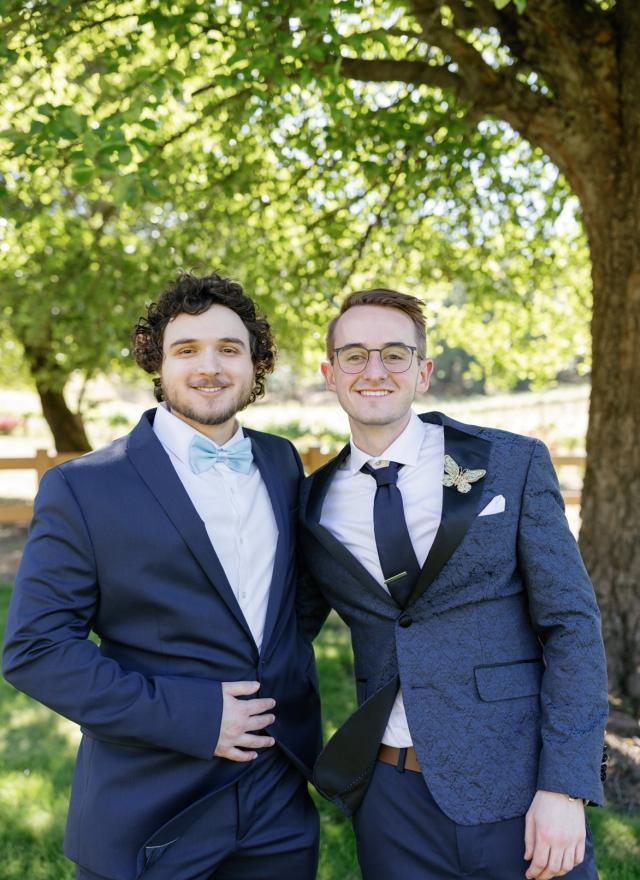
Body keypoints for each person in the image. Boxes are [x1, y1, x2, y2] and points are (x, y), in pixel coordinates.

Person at [3, 272, 321, 880]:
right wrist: (193, 717)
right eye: (187, 350)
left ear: (256, 363)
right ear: (157, 360)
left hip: (278, 796)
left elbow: (290, 605)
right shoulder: (85, 487)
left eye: (230, 349)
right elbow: (37, 651)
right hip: (152, 805)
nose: (211, 367)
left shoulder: (281, 462)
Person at [297, 288, 608, 880]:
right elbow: (283, 630)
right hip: (390, 799)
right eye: (355, 355)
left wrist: (566, 788)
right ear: (329, 374)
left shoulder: (510, 464)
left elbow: (570, 625)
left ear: (424, 371)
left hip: (519, 786)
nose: (375, 371)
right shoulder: (314, 505)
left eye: (395, 354)